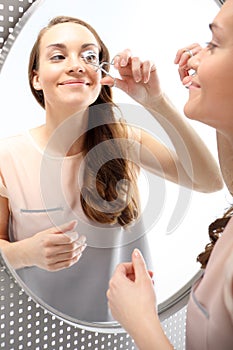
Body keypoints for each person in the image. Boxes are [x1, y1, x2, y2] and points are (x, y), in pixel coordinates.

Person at [0, 15, 222, 322]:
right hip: (35, 326)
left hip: (122, 331)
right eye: (58, 56)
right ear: (36, 78)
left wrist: (156, 101)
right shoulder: (7, 156)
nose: (76, 64)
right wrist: (25, 253)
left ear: (100, 74)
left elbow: (209, 180)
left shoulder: (122, 140)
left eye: (89, 56)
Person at [107, 0, 233, 348]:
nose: (193, 57)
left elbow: (208, 180)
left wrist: (140, 321)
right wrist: (157, 100)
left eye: (214, 44)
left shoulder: (120, 139)